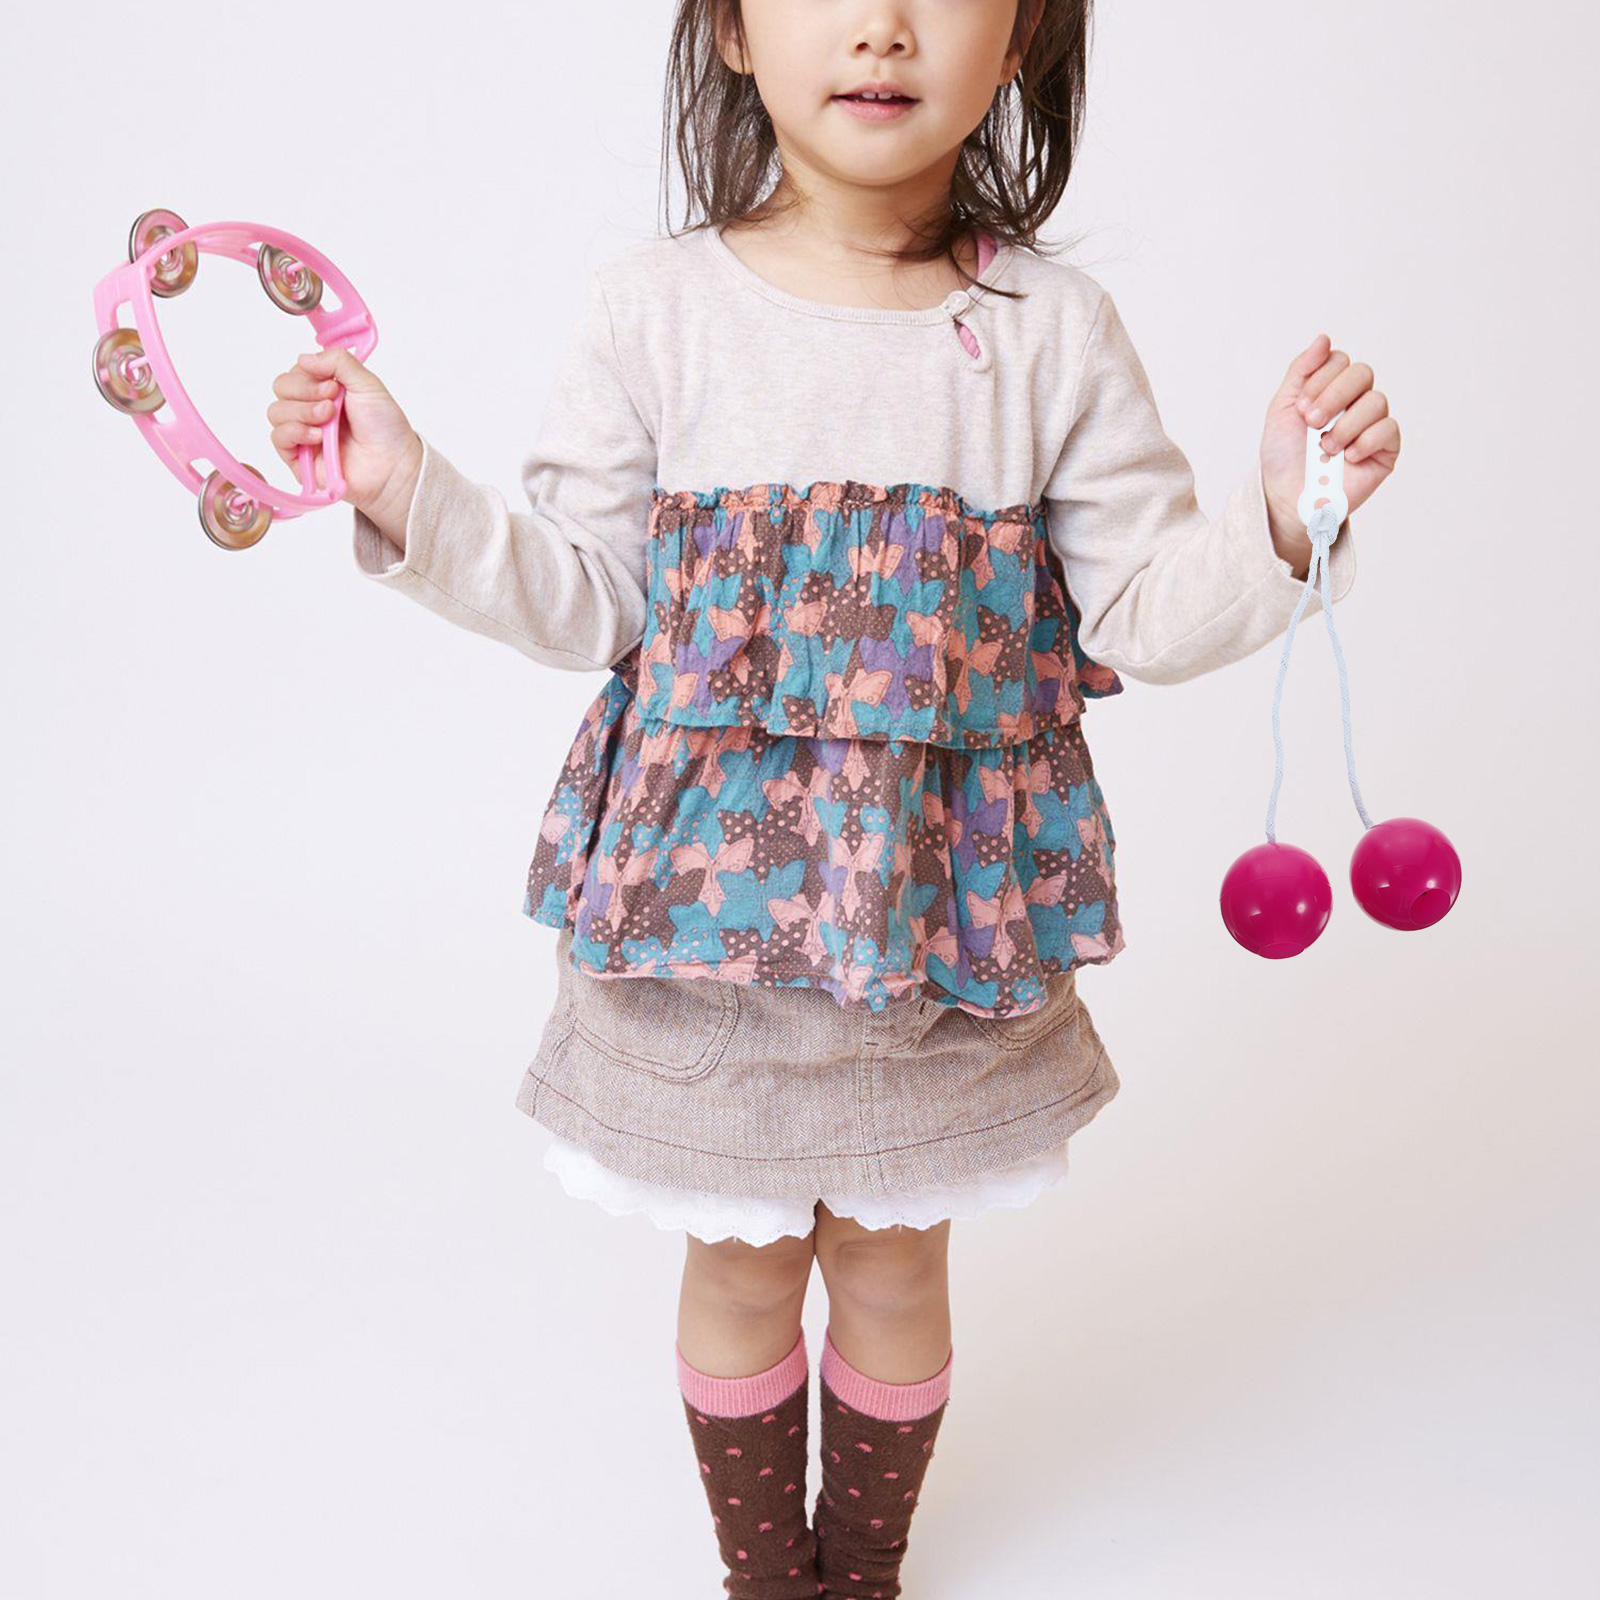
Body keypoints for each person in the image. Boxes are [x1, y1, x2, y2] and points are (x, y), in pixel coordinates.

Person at [266, 3, 1400, 1593]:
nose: (880, 27)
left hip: (932, 939)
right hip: (705, 938)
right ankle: (765, 1578)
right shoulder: (655, 311)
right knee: (740, 1272)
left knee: (892, 1262)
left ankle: (861, 1568)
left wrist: (1283, 520)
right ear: (733, 31)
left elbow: (1144, 607)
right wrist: (410, 491)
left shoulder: (1051, 332)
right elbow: (585, 596)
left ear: (1021, 38)